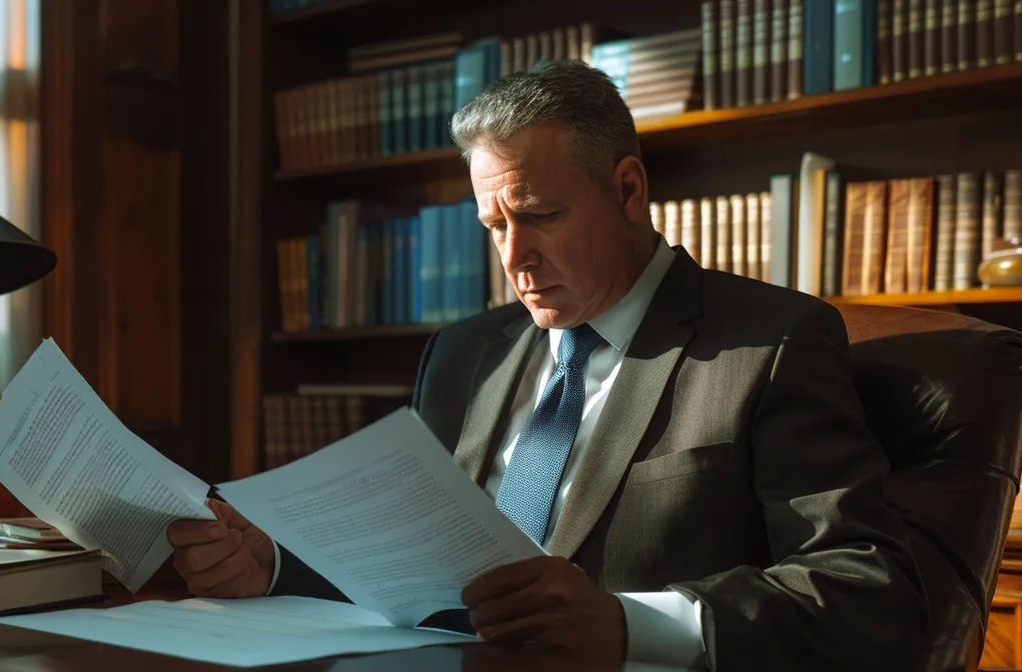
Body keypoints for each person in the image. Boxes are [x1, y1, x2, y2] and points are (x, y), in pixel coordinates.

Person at [166, 60, 928, 669]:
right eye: (493, 224)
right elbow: (409, 564)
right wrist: (267, 565)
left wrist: (630, 626)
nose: (514, 257)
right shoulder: (464, 353)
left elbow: (867, 594)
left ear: (628, 189)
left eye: (539, 216)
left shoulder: (771, 343)